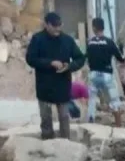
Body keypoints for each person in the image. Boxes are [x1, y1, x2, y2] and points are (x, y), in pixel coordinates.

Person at [25, 12, 86, 140]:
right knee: (46, 118)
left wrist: (69, 66)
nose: (58, 29)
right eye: (54, 26)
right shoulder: (38, 39)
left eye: (60, 26)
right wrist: (50, 63)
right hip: (44, 86)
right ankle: (47, 145)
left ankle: (65, 144)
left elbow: (80, 59)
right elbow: (30, 59)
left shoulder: (67, 40)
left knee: (64, 117)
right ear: (46, 25)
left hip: (62, 85)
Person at [85, 17, 125, 126]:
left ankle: (90, 124)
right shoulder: (109, 42)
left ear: (94, 27)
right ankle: (118, 126)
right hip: (107, 75)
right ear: (103, 27)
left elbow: (86, 59)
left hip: (93, 75)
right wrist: (122, 48)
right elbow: (122, 59)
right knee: (114, 101)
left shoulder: (90, 43)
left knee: (92, 100)